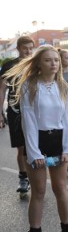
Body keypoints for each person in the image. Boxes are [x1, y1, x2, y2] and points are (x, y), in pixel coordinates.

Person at [9, 45, 68, 232]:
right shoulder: (30, 86)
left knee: (61, 188)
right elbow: (28, 121)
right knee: (38, 191)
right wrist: (34, 152)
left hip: (58, 141)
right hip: (37, 141)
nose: (54, 64)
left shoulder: (64, 87)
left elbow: (67, 121)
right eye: (48, 60)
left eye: (56, 60)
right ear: (38, 63)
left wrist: (67, 149)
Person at [0, 36, 35, 197]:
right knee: (21, 147)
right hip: (15, 110)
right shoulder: (9, 65)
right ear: (18, 49)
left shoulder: (37, 64)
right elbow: (2, 90)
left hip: (35, 111)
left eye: (30, 48)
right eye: (25, 48)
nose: (28, 51)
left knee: (34, 145)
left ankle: (35, 177)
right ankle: (23, 178)